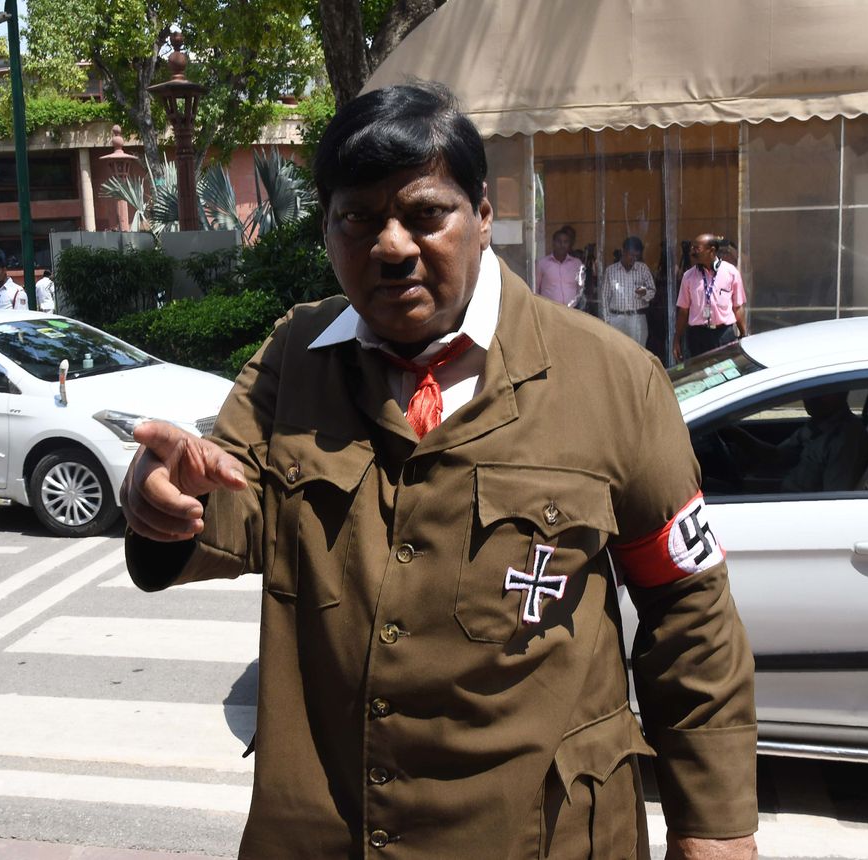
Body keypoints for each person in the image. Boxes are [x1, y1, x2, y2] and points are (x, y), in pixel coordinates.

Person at [121, 83, 758, 860]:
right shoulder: (298, 357)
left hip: (542, 835)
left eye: (425, 213)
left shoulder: (615, 380)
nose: (391, 246)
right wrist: (162, 501)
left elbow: (687, 608)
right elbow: (233, 504)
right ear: (326, 228)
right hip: (332, 828)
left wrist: (714, 828)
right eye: (357, 219)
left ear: (483, 214)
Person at [724, 391, 868, 494]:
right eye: (810, 390)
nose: (812, 397)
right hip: (785, 493)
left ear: (843, 392)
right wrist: (736, 434)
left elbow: (834, 500)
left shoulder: (846, 441)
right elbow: (777, 456)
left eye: (823, 391)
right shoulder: (818, 424)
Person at [673, 233, 748, 363]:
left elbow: (738, 307)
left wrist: (743, 334)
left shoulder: (731, 273)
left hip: (724, 334)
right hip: (698, 336)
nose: (692, 252)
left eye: (697, 248)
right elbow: (683, 311)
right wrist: (676, 340)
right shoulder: (688, 277)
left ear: (711, 250)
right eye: (692, 248)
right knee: (699, 374)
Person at [602, 236, 657, 346]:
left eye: (637, 256)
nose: (633, 259)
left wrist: (644, 292)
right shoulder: (611, 271)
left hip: (637, 318)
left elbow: (652, 291)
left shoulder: (643, 269)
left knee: (638, 352)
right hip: (616, 318)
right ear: (623, 251)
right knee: (617, 351)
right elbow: (605, 297)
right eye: (631, 255)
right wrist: (607, 320)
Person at [534, 227, 584, 306]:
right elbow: (535, 289)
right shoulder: (542, 263)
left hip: (572, 311)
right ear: (553, 243)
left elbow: (581, 288)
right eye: (559, 241)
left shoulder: (577, 264)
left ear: (569, 244)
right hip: (550, 310)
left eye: (565, 242)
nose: (562, 245)